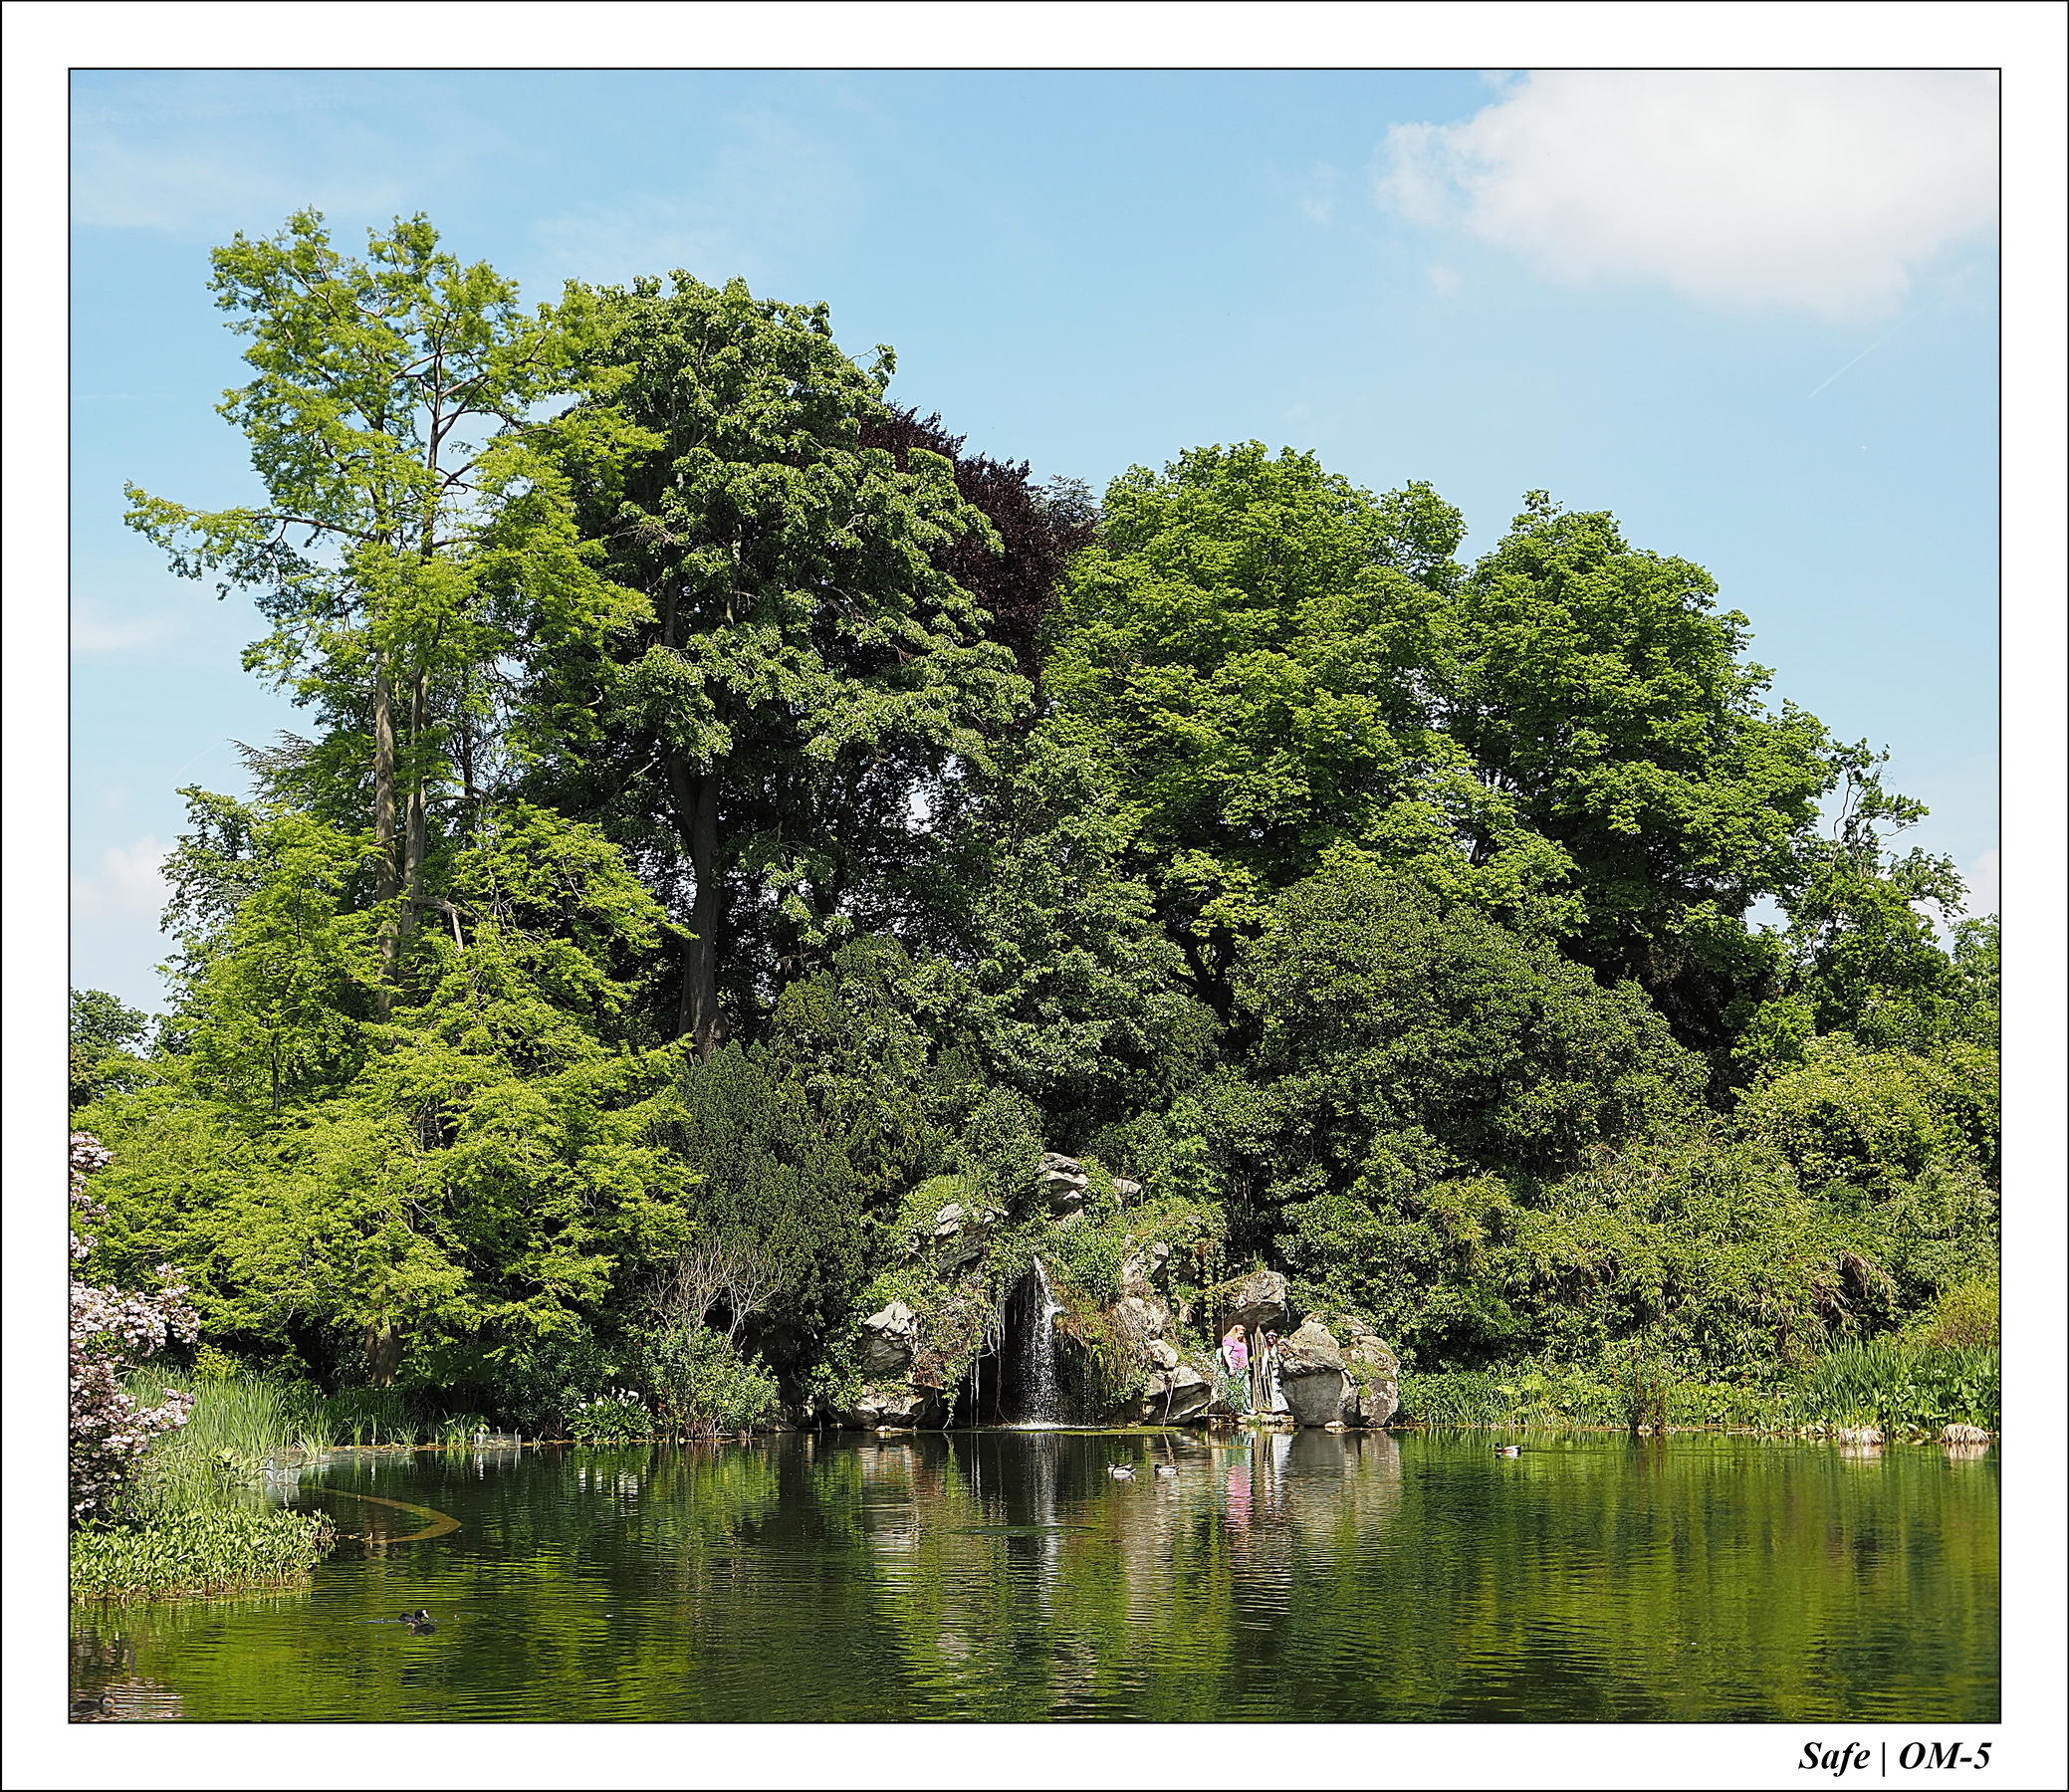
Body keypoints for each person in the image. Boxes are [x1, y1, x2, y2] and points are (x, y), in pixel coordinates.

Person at [1219, 1322, 1251, 1414]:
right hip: (1235, 1367)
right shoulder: (1229, 1339)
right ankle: (1236, 1409)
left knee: (1245, 1388)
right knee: (1235, 1388)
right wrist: (1231, 1367)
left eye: (1242, 1334)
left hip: (1243, 1368)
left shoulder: (1240, 1341)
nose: (1241, 1335)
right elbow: (1226, 1354)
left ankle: (1246, 1408)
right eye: (1240, 1333)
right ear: (1235, 1332)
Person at [1263, 1330, 1290, 1415]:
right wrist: (1263, 1369)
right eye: (1268, 1339)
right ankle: (1277, 1408)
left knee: (1282, 1388)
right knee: (1275, 1388)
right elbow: (1265, 1358)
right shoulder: (1268, 1348)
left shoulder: (1280, 1346)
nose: (1270, 1340)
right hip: (1275, 1370)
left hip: (1282, 1370)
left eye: (1271, 1338)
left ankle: (1284, 1409)